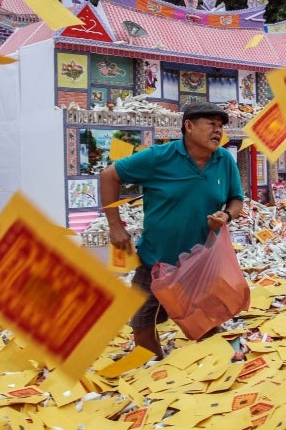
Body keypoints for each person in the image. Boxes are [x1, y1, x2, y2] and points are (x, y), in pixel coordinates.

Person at [100, 102, 244, 358]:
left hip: (203, 261)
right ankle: (160, 370)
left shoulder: (225, 161)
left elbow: (236, 199)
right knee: (143, 324)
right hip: (156, 260)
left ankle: (219, 368)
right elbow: (109, 176)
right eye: (211, 124)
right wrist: (114, 225)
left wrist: (226, 215)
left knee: (206, 322)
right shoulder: (158, 157)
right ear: (188, 126)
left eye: (221, 126)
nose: (218, 131)